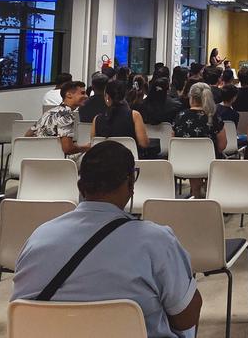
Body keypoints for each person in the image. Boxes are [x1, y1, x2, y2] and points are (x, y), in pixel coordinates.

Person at [11, 141, 202, 337]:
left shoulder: (39, 238)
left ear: (80, 187)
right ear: (131, 184)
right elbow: (185, 318)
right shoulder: (157, 241)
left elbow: (22, 313)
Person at [173, 82, 227, 197]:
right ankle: (207, 189)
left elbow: (172, 142)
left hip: (184, 162)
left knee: (192, 159)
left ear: (191, 97)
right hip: (210, 163)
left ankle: (195, 192)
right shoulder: (214, 117)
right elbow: (222, 145)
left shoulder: (180, 116)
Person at [26, 80, 90, 157]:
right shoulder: (66, 116)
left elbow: (28, 135)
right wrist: (86, 148)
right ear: (69, 95)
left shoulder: (49, 112)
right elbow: (67, 149)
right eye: (82, 93)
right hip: (55, 159)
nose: (86, 96)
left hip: (36, 156)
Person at [91, 79, 151, 158]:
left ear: (107, 97)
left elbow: (93, 145)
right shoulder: (134, 115)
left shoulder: (97, 119)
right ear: (124, 96)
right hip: (129, 161)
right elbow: (144, 143)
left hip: (103, 161)